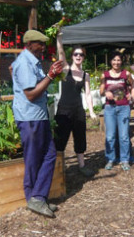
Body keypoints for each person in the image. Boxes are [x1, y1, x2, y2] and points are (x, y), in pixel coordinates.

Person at [11, 29, 64, 218]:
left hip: (38, 116)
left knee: (49, 155)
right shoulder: (25, 63)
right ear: (30, 44)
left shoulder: (29, 61)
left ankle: (37, 197)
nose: (43, 47)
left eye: (44, 44)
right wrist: (50, 76)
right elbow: (31, 94)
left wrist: (50, 75)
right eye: (40, 44)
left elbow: (13, 70)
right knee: (34, 158)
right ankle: (34, 198)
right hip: (30, 117)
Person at [54, 34, 97, 177]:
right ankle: (59, 168)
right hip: (64, 111)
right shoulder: (66, 69)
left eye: (81, 54)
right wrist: (59, 37)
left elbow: (88, 94)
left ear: (84, 57)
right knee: (60, 140)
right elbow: (60, 52)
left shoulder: (86, 75)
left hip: (78, 111)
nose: (78, 56)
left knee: (80, 138)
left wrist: (91, 111)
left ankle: (82, 166)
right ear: (72, 56)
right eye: (76, 54)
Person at [100, 51, 133, 171]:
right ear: (110, 61)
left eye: (118, 60)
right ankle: (110, 159)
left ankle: (125, 160)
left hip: (124, 107)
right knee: (110, 136)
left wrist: (131, 95)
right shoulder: (105, 75)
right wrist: (106, 92)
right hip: (110, 108)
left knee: (124, 136)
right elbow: (100, 91)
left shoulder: (126, 74)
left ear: (121, 61)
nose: (116, 62)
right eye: (114, 60)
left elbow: (133, 85)